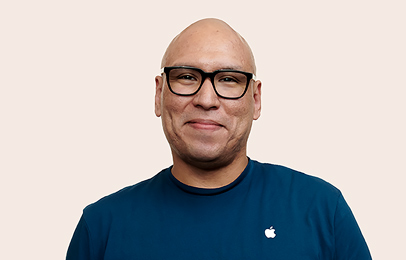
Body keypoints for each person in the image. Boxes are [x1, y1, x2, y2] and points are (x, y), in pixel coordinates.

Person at [66, 18, 372, 259]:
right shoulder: (102, 228)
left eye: (228, 80)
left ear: (256, 98)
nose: (206, 99)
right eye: (187, 76)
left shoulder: (320, 210)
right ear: (159, 94)